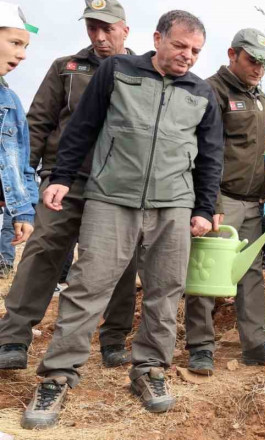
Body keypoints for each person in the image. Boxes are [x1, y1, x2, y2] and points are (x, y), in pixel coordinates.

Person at [21, 10, 224, 429]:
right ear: (158, 39)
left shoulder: (202, 93)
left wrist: (204, 208)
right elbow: (83, 127)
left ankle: (150, 370)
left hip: (173, 205)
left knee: (166, 291)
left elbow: (210, 157)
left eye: (196, 51)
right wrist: (60, 177)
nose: (188, 56)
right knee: (87, 285)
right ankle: (58, 375)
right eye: (180, 46)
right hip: (111, 197)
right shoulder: (117, 70)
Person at [0, 0, 138, 371]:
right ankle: (13, 338)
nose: (99, 35)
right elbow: (37, 124)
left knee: (121, 265)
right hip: (63, 181)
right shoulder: (66, 68)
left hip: (118, 188)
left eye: (107, 28)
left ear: (125, 29)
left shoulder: (143, 72)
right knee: (43, 252)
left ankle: (113, 340)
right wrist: (21, 185)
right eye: (92, 27)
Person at [185, 28, 265, 376]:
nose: (258, 68)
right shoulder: (211, 90)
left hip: (255, 201)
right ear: (232, 54)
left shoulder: (262, 99)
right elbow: (203, 152)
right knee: (206, 275)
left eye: (264, 64)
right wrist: (209, 202)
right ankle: (200, 346)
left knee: (250, 274)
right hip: (221, 199)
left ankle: (254, 344)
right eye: (252, 61)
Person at [0, 3, 37, 260]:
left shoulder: (11, 102)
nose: (22, 55)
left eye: (25, 47)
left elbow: (22, 165)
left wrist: (23, 211)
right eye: (15, 43)